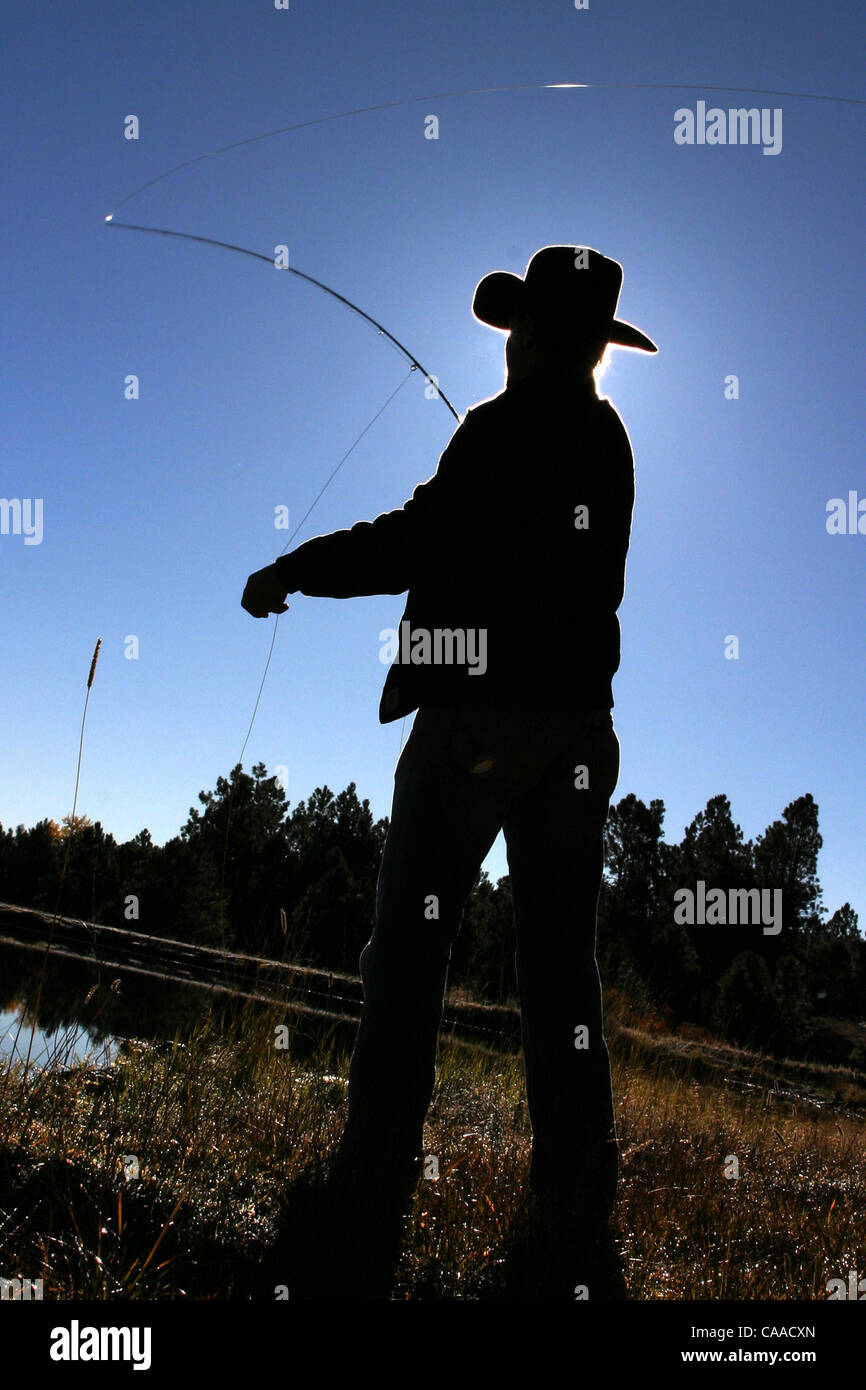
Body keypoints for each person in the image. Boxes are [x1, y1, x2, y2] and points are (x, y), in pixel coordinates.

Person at [242, 245, 657, 1298]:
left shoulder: (498, 429)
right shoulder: (606, 440)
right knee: (559, 970)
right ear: (596, 347)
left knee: (409, 954)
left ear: (531, 336)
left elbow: (413, 542)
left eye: (519, 329)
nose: (511, 343)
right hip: (578, 732)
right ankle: (571, 1202)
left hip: (476, 712)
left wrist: (294, 569)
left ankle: (370, 1182)